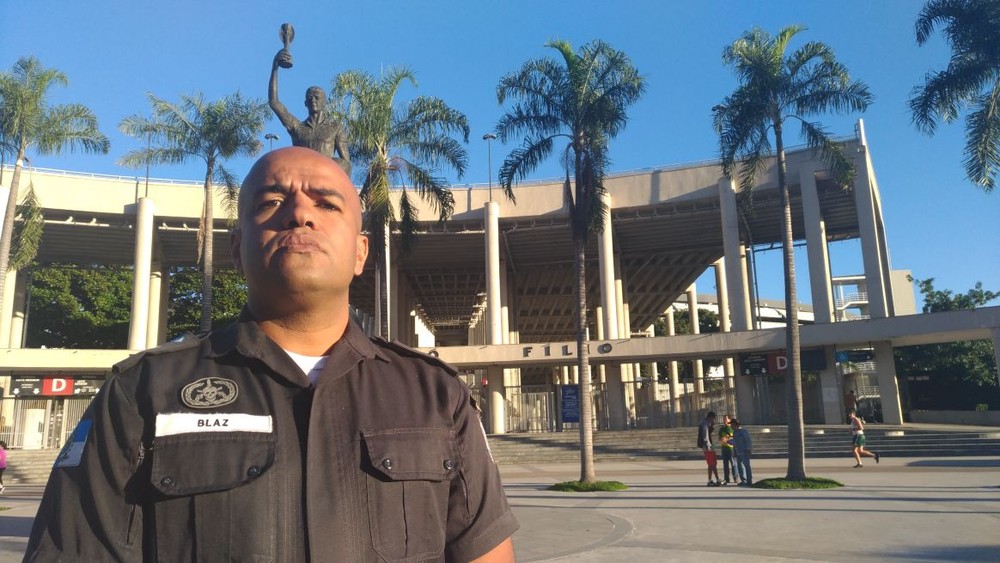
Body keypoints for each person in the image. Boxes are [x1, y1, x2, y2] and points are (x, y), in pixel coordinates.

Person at [24, 147, 517, 562]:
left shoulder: (435, 395)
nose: (299, 213)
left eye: (326, 204)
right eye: (272, 201)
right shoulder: (141, 392)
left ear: (360, 253)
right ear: (237, 248)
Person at [269, 50, 351, 173]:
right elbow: (274, 102)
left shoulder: (335, 128)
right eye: (310, 98)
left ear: (324, 102)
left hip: (325, 177)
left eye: (317, 98)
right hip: (301, 177)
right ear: (305, 103)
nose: (313, 100)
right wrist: (275, 67)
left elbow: (346, 164)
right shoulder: (297, 127)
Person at [698, 411, 721, 486]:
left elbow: (708, 433)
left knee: (712, 463)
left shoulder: (706, 423)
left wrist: (712, 426)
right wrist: (708, 446)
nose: (713, 420)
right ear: (711, 417)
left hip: (709, 445)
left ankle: (712, 479)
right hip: (707, 446)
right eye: (713, 418)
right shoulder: (705, 424)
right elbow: (705, 436)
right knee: (712, 463)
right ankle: (715, 479)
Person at [717, 414, 739, 485]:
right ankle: (726, 478)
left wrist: (727, 439)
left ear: (729, 420)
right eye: (723, 419)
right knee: (725, 464)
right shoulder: (722, 429)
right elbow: (719, 438)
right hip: (724, 448)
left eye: (726, 419)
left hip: (731, 448)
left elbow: (734, 438)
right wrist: (721, 439)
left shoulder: (732, 428)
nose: (724, 421)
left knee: (733, 463)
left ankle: (735, 477)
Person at [731, 419, 753, 486]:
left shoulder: (743, 431)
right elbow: (735, 442)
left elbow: (748, 440)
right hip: (738, 451)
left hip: (744, 451)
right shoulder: (734, 432)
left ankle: (749, 481)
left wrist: (749, 449)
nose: (731, 426)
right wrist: (728, 442)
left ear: (735, 425)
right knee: (740, 467)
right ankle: (743, 480)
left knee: (747, 466)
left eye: (732, 424)